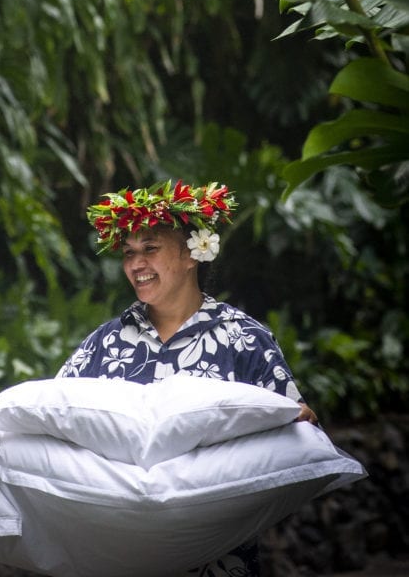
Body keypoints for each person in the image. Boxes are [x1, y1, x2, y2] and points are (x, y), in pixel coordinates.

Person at [57, 178, 318, 577]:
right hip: (121, 554)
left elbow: (295, 424)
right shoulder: (105, 343)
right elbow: (58, 413)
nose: (135, 264)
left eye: (150, 249)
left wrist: (299, 417)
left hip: (220, 559)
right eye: (128, 253)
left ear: (193, 253)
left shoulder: (244, 338)